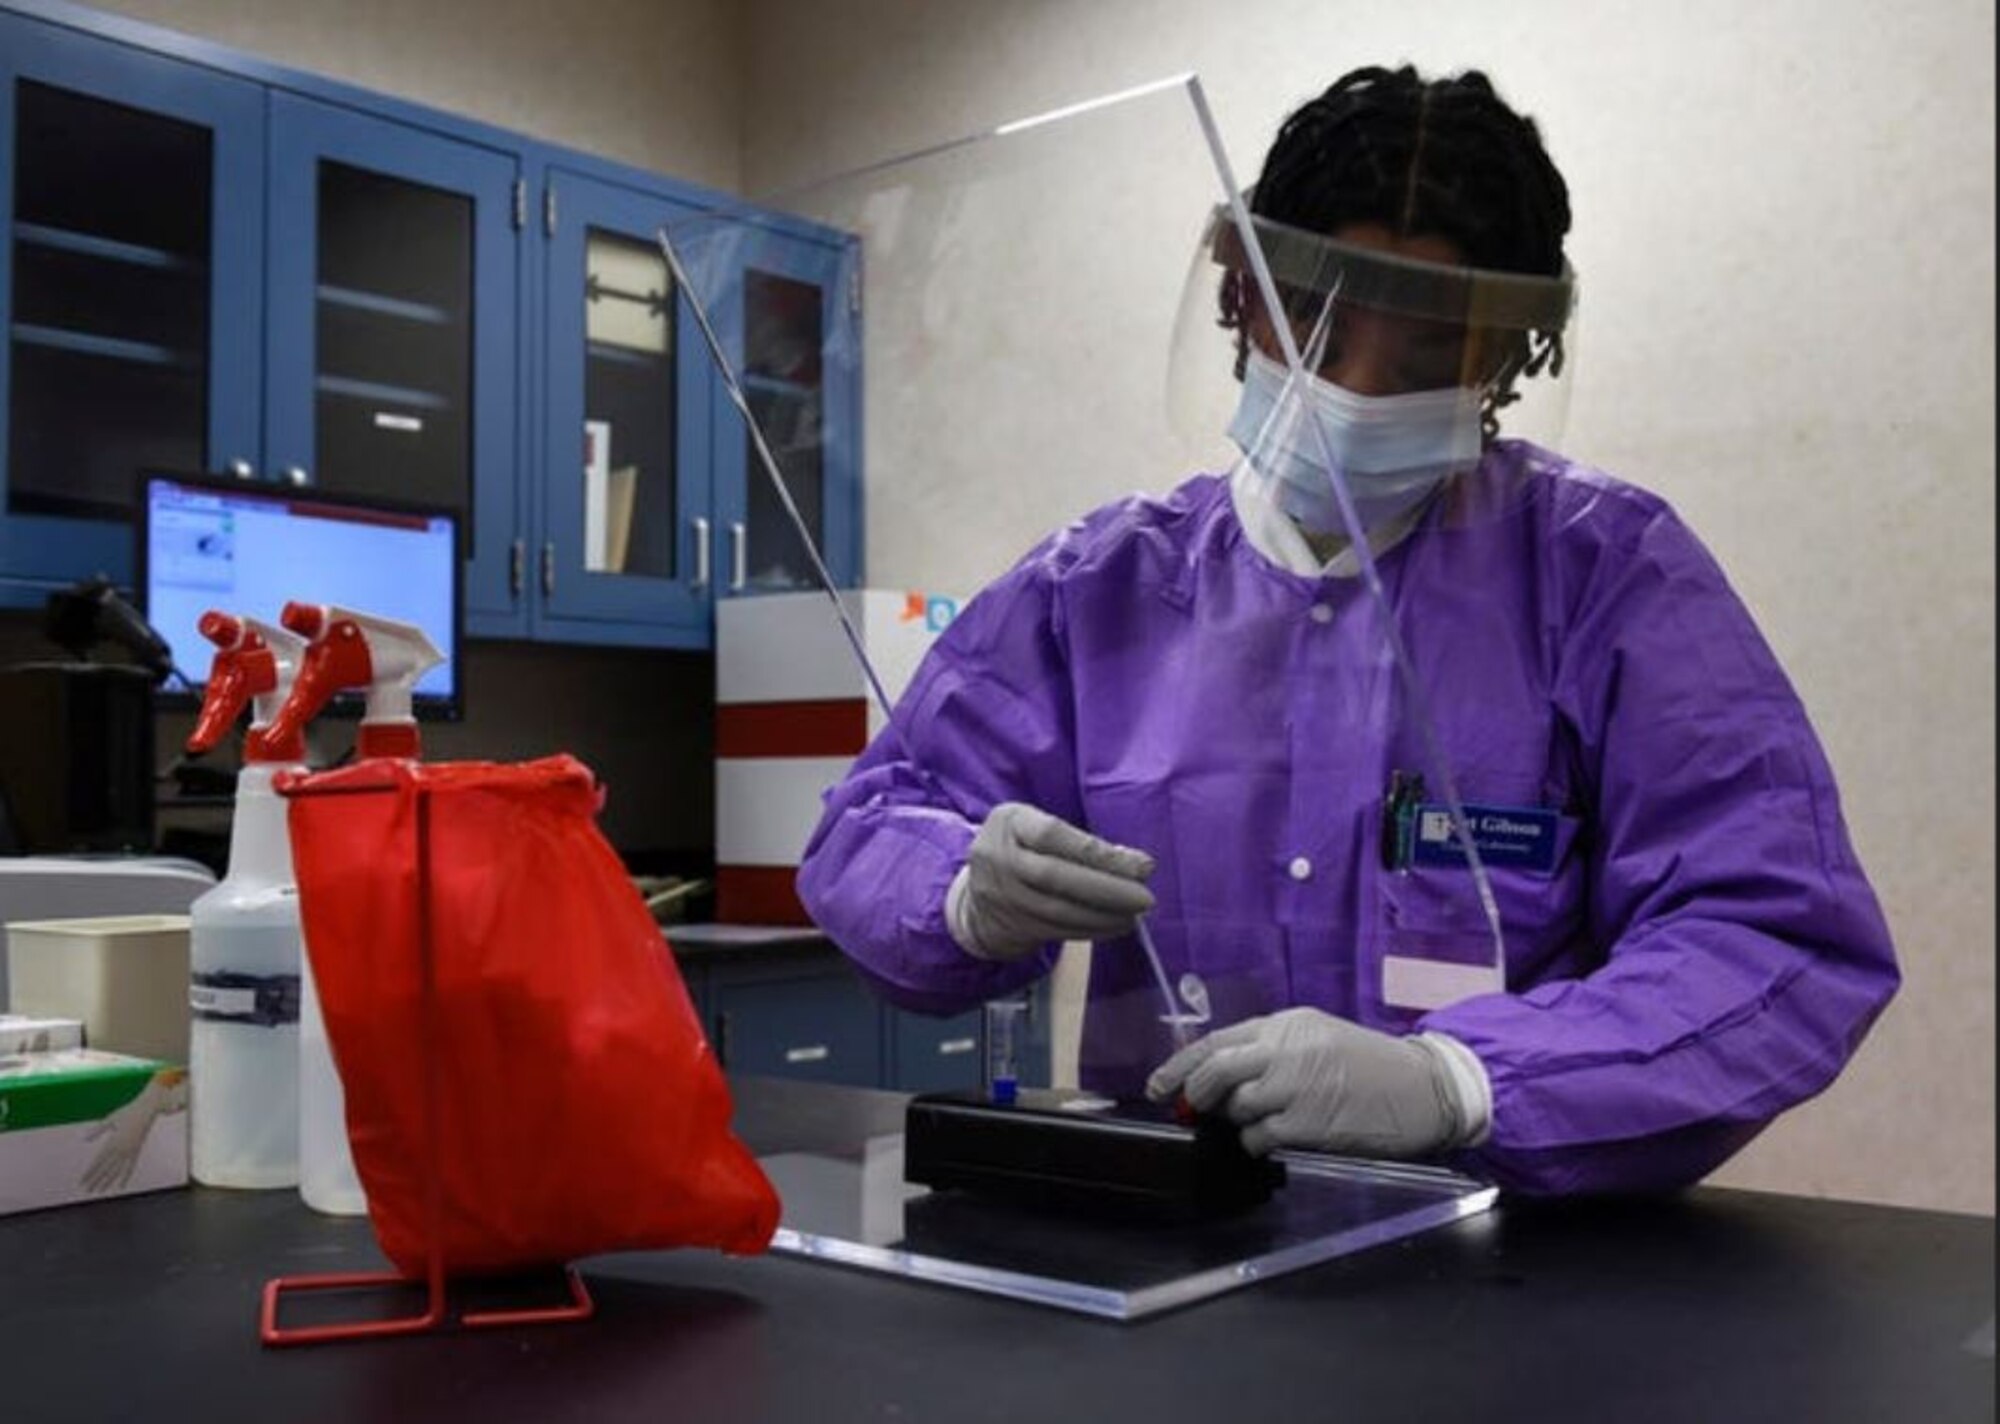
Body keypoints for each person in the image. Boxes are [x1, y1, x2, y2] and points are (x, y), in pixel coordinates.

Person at [796, 65, 1899, 1195]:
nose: (1358, 395)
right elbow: (873, 823)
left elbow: (1777, 938)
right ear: (1236, 297)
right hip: (1166, 1243)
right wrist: (959, 893)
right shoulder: (1100, 585)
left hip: (1513, 1268)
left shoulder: (1605, 576)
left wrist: (1460, 1082)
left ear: (1506, 359)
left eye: (1423, 358)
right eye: (1316, 336)